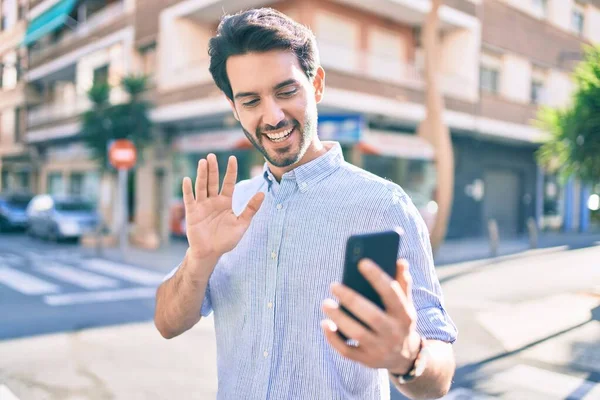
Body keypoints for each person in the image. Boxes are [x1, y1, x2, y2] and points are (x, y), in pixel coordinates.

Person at [154, 8, 457, 400]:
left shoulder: (384, 205)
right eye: (250, 101)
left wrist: (408, 356)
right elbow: (166, 323)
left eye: (286, 91)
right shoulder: (231, 207)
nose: (273, 115)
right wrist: (200, 257)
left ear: (316, 85)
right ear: (234, 109)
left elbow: (440, 372)